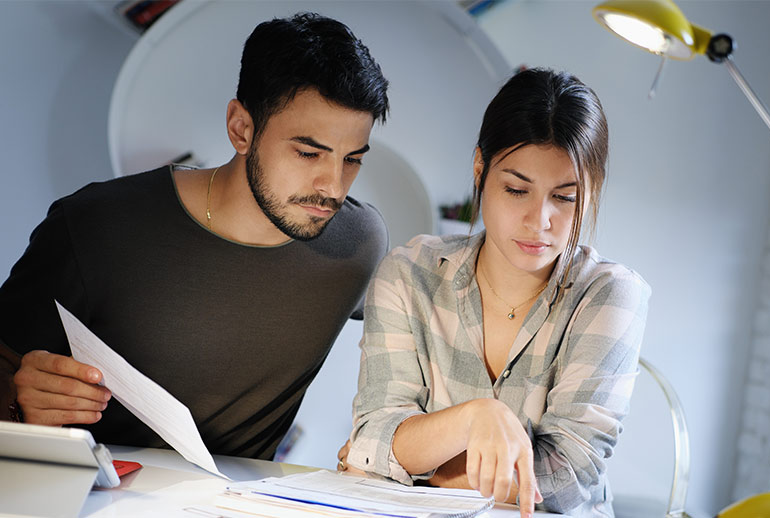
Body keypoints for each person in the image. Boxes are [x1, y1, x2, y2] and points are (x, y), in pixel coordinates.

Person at [0, 12, 390, 461]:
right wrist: (16, 402)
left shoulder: (358, 244)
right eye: (308, 153)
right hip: (90, 495)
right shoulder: (95, 225)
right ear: (241, 128)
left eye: (353, 159)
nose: (333, 187)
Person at [341, 68, 650, 518]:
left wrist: (411, 468)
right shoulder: (409, 274)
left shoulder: (609, 296)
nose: (539, 221)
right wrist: (473, 418)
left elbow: (568, 479)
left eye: (565, 197)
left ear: (593, 190)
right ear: (480, 169)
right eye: (516, 189)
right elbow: (376, 431)